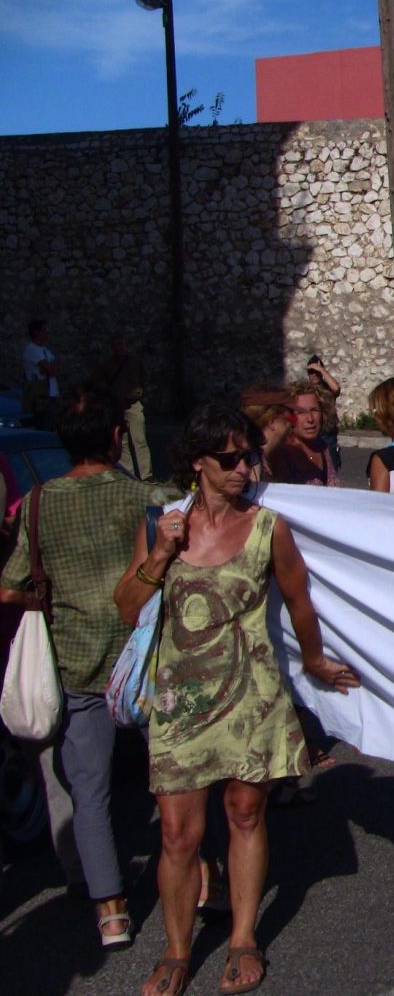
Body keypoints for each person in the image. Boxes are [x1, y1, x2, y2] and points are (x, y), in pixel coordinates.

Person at [115, 403, 359, 996]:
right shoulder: (159, 524)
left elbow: (300, 602)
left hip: (251, 693)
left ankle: (244, 936)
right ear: (197, 462)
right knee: (177, 833)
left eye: (248, 457)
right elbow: (126, 607)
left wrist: (315, 660)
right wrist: (158, 556)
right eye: (229, 460)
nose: (244, 470)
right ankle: (176, 951)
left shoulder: (269, 526)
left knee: (245, 814)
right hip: (179, 700)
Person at [0, 390, 176, 951]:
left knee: (89, 791)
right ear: (117, 438)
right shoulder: (149, 495)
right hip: (147, 656)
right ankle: (203, 882)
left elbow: (10, 586)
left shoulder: (38, 503)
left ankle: (111, 911)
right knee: (173, 780)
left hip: (76, 660)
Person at [90, 336, 152, 480]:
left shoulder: (135, 361)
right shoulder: (107, 364)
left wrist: (138, 391)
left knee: (139, 439)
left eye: (121, 344)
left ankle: (146, 475)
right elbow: (97, 380)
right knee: (121, 442)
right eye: (116, 344)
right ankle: (128, 473)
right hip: (117, 404)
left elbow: (143, 376)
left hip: (133, 403)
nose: (119, 347)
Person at [267, 381, 338, 487]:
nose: (310, 419)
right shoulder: (281, 452)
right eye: (301, 412)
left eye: (314, 410)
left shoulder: (321, 446)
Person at [239, 383, 296, 483]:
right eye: (290, 413)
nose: (294, 421)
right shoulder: (252, 462)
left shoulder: (268, 459)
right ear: (272, 421)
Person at [305, 355, 342, 471]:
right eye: (311, 372)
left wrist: (321, 369)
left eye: (316, 372)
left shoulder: (327, 389)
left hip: (328, 434)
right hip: (313, 433)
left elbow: (336, 388)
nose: (314, 375)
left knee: (331, 468)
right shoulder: (306, 391)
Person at [22, 318, 59, 429]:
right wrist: (50, 367)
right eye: (45, 330)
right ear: (36, 332)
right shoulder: (32, 350)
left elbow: (55, 368)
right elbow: (50, 370)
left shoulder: (44, 350)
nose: (47, 333)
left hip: (51, 393)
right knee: (44, 424)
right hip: (41, 395)